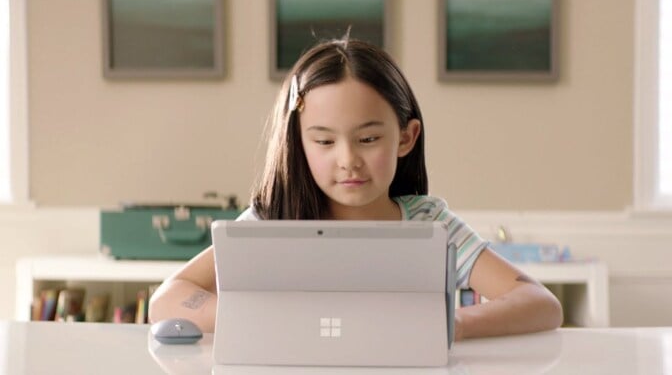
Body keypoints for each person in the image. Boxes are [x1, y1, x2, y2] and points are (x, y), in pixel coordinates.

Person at [148, 38, 563, 340]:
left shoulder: (428, 223)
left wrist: (448, 325)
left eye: (367, 139)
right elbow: (168, 298)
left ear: (405, 137)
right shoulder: (271, 223)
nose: (347, 160)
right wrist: (255, 319)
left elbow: (539, 303)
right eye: (325, 142)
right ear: (300, 143)